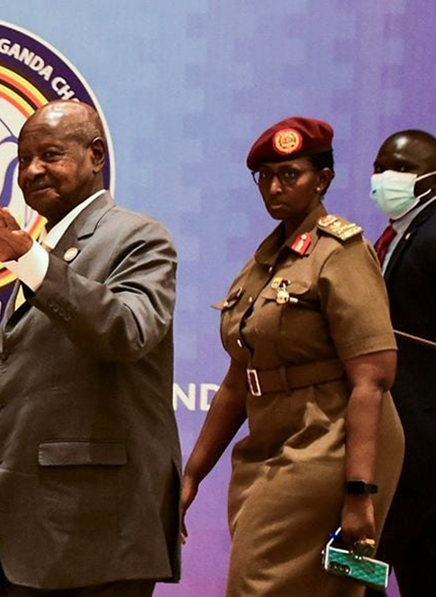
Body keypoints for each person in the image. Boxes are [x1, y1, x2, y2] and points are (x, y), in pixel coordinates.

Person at [180, 116, 405, 596]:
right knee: (327, 586)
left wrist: (360, 492)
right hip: (270, 442)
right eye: (266, 175)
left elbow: (373, 379)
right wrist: (192, 475)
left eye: (290, 174)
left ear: (322, 179)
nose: (275, 187)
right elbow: (238, 382)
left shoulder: (341, 252)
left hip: (330, 440)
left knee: (256, 585)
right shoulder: (266, 261)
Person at [0, 100, 181, 596]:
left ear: (96, 155)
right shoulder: (43, 250)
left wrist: (34, 266)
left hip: (96, 539)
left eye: (51, 154)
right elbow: (20, 416)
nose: (33, 170)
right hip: (27, 547)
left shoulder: (138, 237)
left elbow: (128, 331)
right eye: (23, 159)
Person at [367, 130, 436, 595]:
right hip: (401, 435)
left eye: (402, 168)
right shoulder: (403, 231)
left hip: (420, 440)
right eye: (379, 167)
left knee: (362, 560)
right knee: (421, 563)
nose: (384, 178)